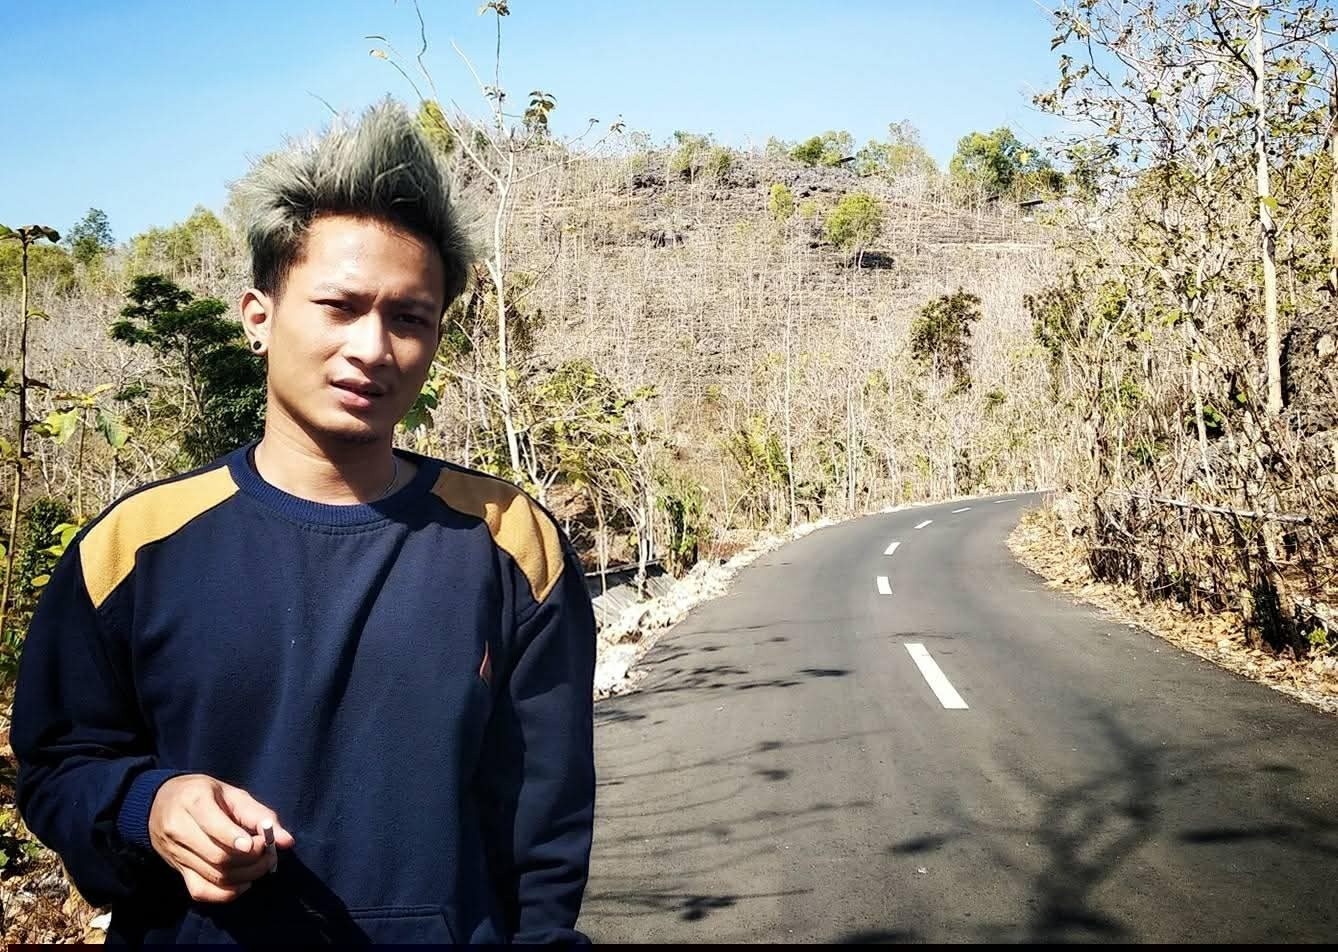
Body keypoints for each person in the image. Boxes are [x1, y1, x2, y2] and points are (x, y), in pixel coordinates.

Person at [11, 100, 597, 945]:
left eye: (409, 317)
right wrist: (152, 806)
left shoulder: (508, 543)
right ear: (259, 316)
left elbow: (544, 826)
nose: (373, 347)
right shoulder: (135, 548)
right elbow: (58, 767)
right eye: (339, 306)